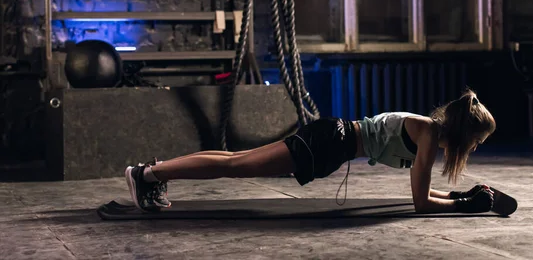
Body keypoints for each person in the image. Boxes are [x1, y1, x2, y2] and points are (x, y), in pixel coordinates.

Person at [125, 88, 497, 214]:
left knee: (235, 161)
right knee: (237, 165)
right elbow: (419, 204)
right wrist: (464, 205)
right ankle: (148, 175)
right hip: (330, 142)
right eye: (478, 141)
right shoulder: (429, 138)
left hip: (331, 139)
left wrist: (458, 195)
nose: (478, 147)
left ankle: (153, 172)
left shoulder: (429, 135)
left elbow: (423, 192)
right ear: (466, 135)